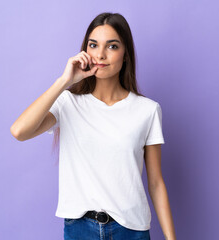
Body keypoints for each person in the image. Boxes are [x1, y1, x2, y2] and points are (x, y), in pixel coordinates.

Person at [10, 12, 176, 240]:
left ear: (125, 53)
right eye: (93, 45)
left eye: (112, 46)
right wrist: (64, 81)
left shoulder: (147, 110)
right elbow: (20, 131)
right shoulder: (68, 103)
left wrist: (171, 238)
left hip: (131, 230)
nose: (100, 54)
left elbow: (156, 182)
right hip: (80, 230)